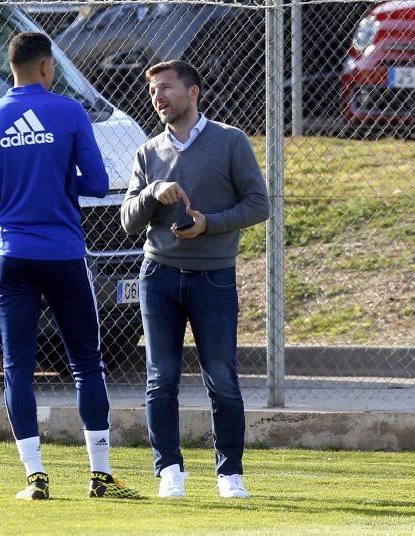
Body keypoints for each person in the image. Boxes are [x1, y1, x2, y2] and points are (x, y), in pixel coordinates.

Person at [0, 32, 139, 501]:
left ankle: (34, 476)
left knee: (17, 365)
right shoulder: (70, 112)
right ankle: (99, 475)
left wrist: (7, 189)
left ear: (9, 68)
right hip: (63, 254)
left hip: (10, 254)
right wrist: (56, 177)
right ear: (47, 67)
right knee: (85, 361)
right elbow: (98, 184)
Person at [120, 60, 270, 498]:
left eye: (166, 88)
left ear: (193, 92)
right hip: (159, 276)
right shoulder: (147, 153)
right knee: (160, 377)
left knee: (221, 377)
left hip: (214, 278)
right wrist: (152, 192)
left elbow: (259, 205)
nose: (159, 98)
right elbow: (129, 222)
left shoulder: (230, 142)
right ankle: (169, 471)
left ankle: (230, 474)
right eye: (153, 92)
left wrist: (209, 223)